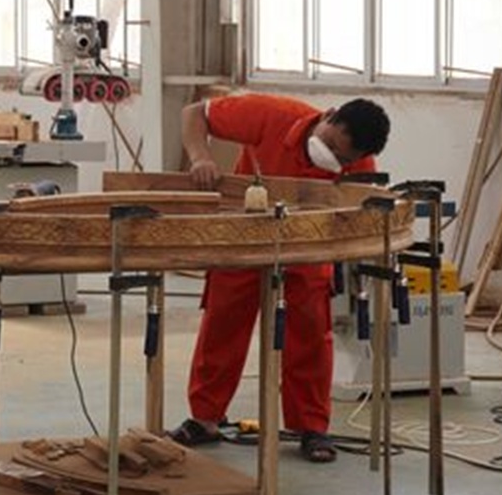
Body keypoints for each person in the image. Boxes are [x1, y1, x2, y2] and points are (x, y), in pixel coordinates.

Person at [168, 93, 391, 462]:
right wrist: (201, 157)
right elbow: (194, 113)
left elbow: (358, 211)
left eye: (342, 158)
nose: (332, 157)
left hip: (307, 245)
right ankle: (205, 418)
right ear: (328, 116)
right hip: (243, 235)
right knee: (223, 323)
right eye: (330, 144)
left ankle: (311, 427)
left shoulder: (361, 164)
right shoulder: (272, 116)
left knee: (310, 332)